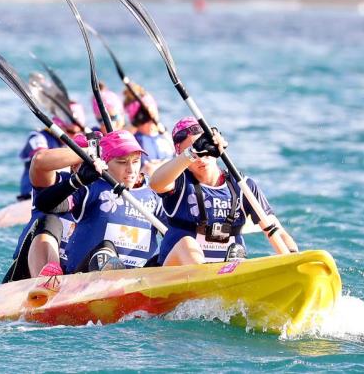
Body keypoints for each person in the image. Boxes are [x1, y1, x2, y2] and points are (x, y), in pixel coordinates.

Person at [150, 117, 297, 266]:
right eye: (195, 154)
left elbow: (278, 233)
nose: (201, 158)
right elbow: (155, 183)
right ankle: (206, 277)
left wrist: (294, 259)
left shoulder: (242, 186)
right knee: (187, 244)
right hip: (175, 273)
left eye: (205, 150)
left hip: (226, 272)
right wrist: (192, 152)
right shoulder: (178, 182)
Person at [32, 130, 164, 273]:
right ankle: (44, 278)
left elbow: (173, 232)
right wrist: (76, 181)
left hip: (135, 275)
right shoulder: (89, 187)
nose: (131, 170)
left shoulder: (153, 191)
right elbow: (44, 204)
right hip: (83, 274)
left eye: (136, 161)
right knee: (50, 221)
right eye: (122, 162)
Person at [3, 100, 88, 281]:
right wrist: (89, 153)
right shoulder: (56, 181)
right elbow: (40, 161)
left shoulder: (105, 192)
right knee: (50, 220)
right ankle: (43, 282)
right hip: (28, 272)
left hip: (72, 272)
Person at [123, 84, 174, 175]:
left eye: (153, 118)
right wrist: (136, 122)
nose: (151, 122)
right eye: (146, 120)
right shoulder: (134, 138)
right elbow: (121, 138)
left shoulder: (163, 133)